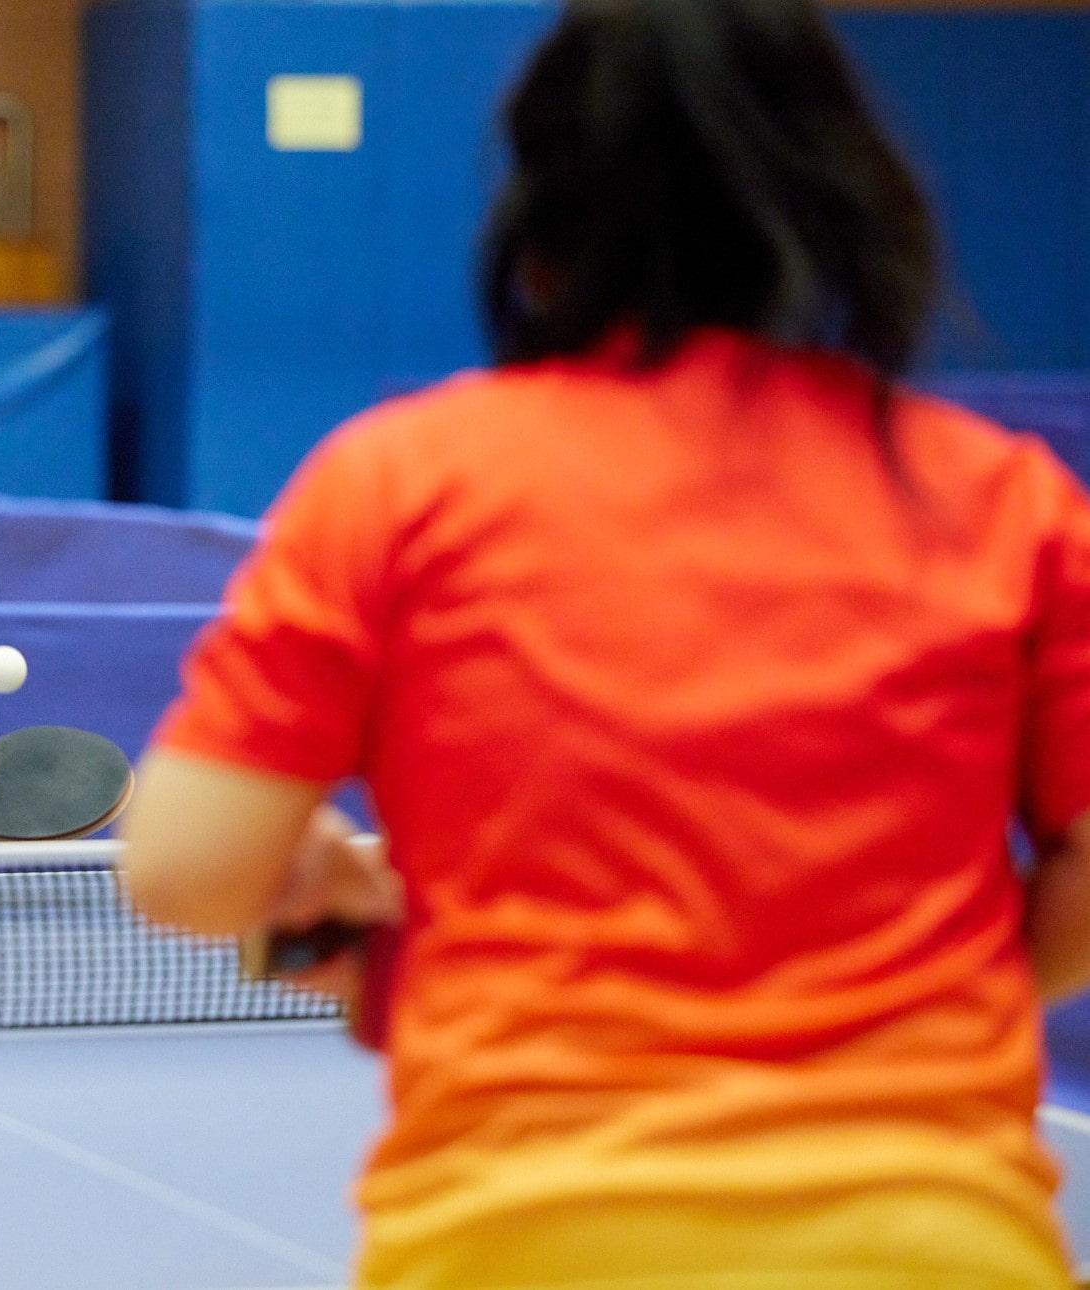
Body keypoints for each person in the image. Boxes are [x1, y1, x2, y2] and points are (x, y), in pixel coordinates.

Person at [122, 1, 1090, 1286]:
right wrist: (905, 995)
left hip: (521, 1233)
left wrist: (308, 882)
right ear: (848, 196)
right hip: (932, 1236)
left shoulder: (402, 482)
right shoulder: (1004, 499)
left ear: (540, 218)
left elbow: (184, 870)